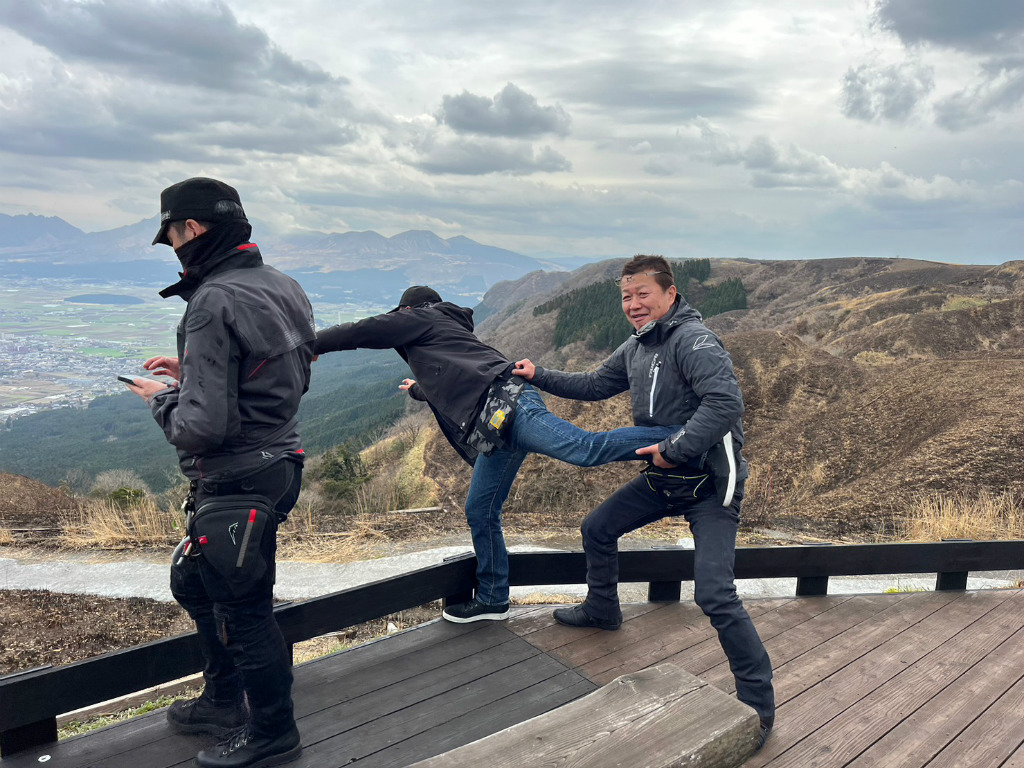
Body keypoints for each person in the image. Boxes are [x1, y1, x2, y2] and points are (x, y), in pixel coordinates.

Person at [513, 255, 775, 749]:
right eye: (626, 296)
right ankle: (602, 609)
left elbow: (725, 404)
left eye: (642, 294)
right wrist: (538, 374)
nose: (633, 304)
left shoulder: (694, 341)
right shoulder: (637, 346)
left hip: (710, 484)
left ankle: (758, 706)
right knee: (597, 528)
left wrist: (674, 450)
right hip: (665, 477)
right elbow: (595, 384)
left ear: (670, 294)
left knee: (715, 595)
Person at [314, 285, 673, 623]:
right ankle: (492, 598)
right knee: (480, 509)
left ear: (408, 310)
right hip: (494, 425)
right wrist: (416, 390)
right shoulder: (444, 329)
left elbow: (364, 330)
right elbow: (450, 383)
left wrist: (312, 344)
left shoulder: (423, 316)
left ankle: (676, 437)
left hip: (509, 406)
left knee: (583, 448)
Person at [124, 177, 314, 768]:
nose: (174, 250)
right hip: (280, 463)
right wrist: (196, 373)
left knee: (245, 610)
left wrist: (162, 397)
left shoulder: (211, 300)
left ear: (192, 228)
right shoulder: (282, 284)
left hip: (237, 478)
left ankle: (273, 733)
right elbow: (283, 374)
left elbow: (200, 429)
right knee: (195, 582)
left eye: (172, 237)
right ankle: (223, 698)